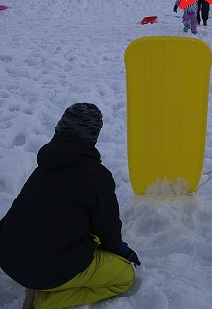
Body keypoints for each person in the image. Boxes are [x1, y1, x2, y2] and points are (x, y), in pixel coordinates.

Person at [0, 103, 140, 309]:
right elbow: (108, 233)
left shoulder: (44, 166)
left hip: (7, 255)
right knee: (124, 276)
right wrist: (122, 251)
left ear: (60, 128)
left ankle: (42, 276)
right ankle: (45, 300)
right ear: (93, 136)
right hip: (45, 269)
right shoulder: (96, 176)